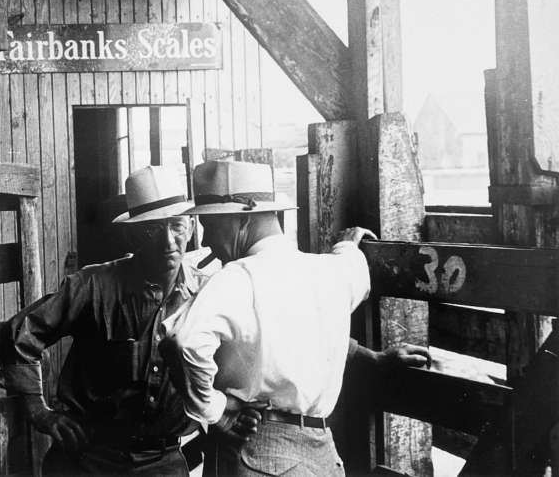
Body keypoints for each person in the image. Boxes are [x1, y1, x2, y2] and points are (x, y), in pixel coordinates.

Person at [162, 159, 429, 476]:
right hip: (322, 452)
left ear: (239, 220)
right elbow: (351, 266)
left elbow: (182, 340)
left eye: (212, 226)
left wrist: (217, 411)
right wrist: (348, 243)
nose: (206, 241)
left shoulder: (238, 277)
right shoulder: (334, 272)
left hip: (257, 446)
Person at [0, 165, 260, 476]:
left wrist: (229, 411)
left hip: (164, 461)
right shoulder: (93, 285)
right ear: (132, 234)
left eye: (176, 226)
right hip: (87, 459)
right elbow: (19, 336)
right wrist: (39, 411)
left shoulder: (207, 293)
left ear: (190, 227)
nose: (168, 242)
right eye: (152, 229)